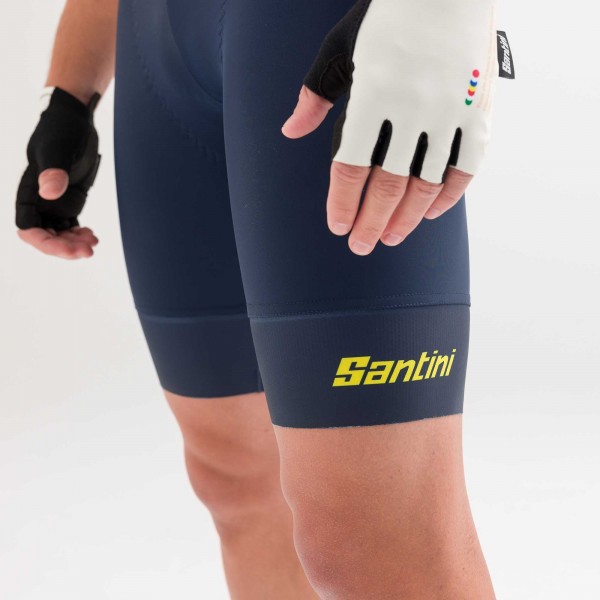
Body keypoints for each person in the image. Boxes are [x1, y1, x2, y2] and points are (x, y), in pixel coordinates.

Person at [16, 0, 502, 597]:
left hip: (314, 28)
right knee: (236, 479)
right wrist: (68, 94)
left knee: (374, 537)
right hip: (153, 38)